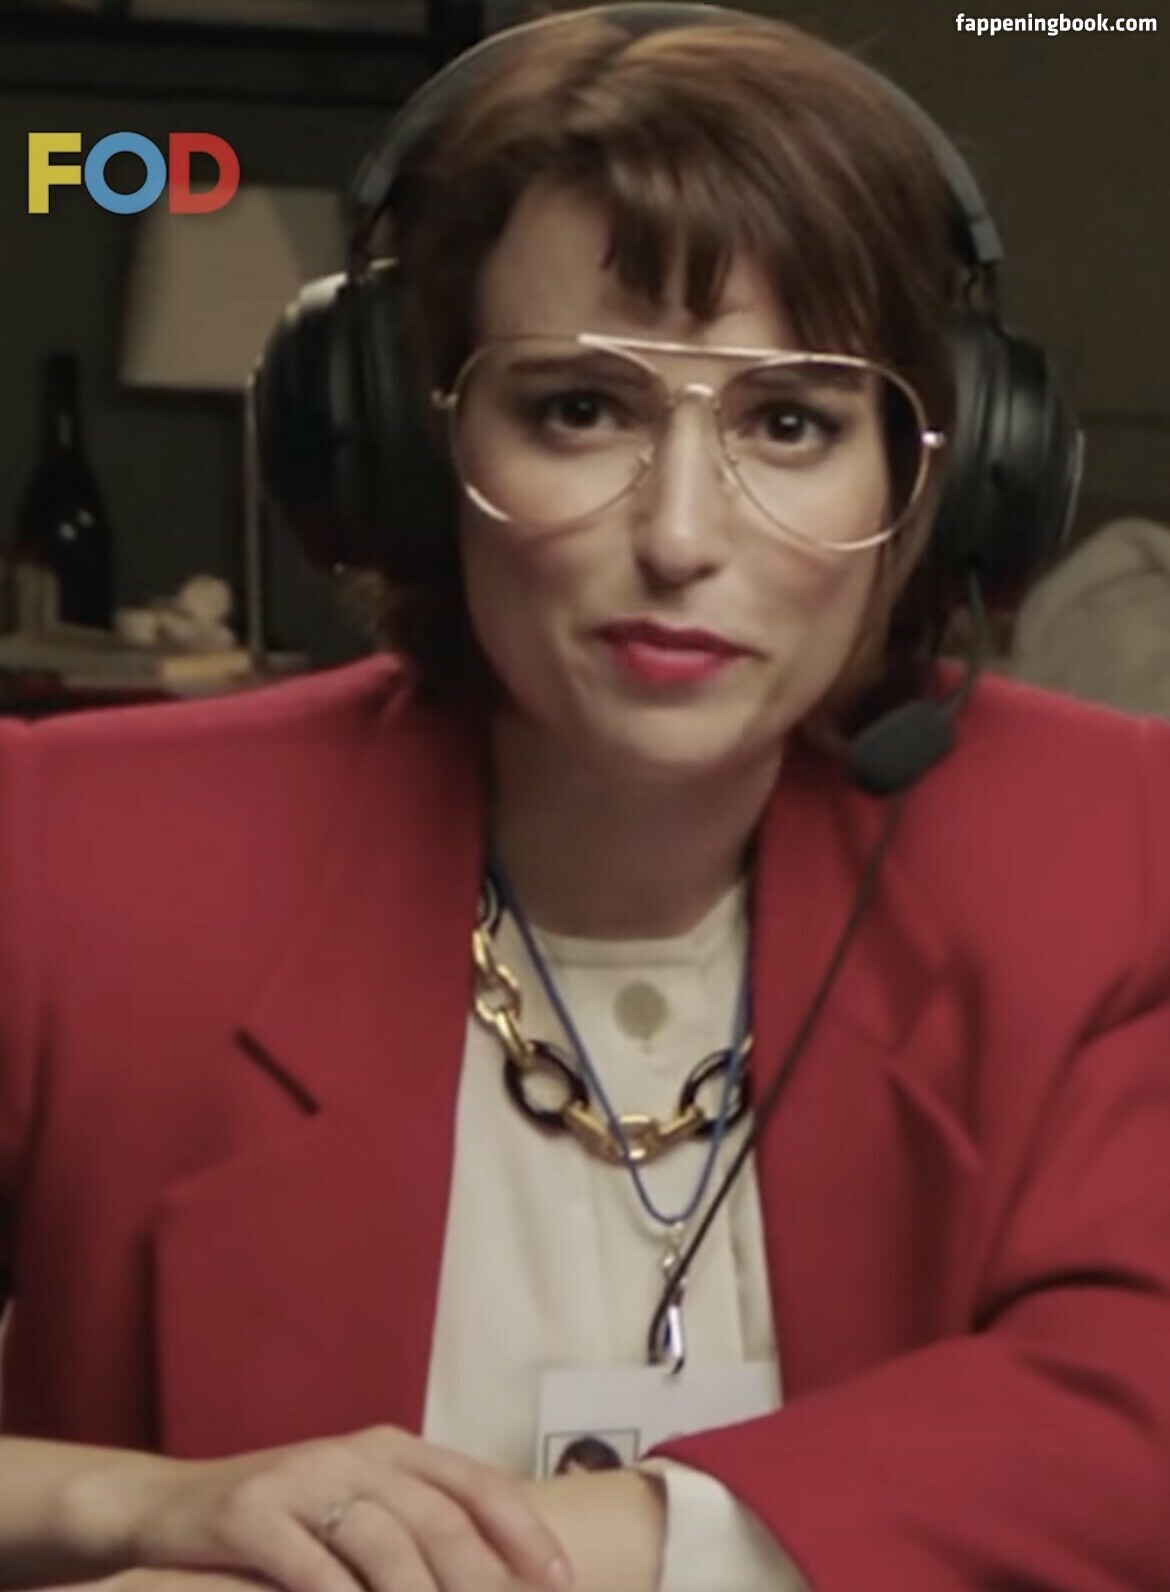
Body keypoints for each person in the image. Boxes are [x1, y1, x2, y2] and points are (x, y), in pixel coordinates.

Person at [2, 6, 1169, 1592]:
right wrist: (132, 1509)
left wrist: (520, 1555)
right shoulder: (73, 849)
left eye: (789, 421)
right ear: (409, 448)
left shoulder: (1114, 846)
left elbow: (1130, 1413)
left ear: (936, 482)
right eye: (579, 408)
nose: (679, 535)